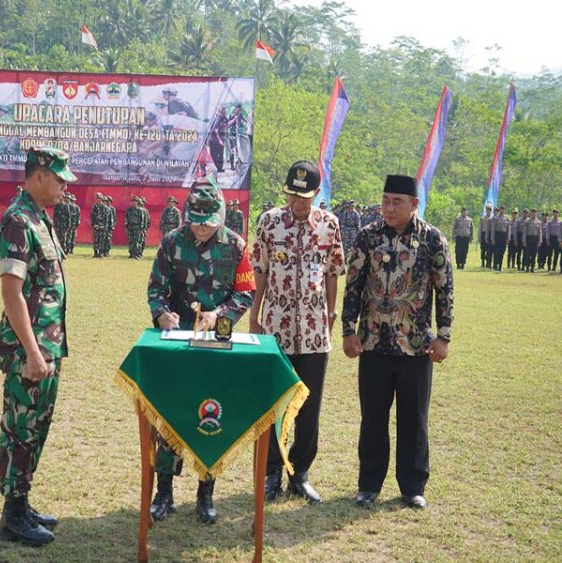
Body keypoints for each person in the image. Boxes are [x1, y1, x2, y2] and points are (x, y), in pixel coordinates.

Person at [147, 177, 256, 524]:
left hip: (215, 343)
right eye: (195, 221)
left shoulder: (237, 247)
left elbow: (245, 294)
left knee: (211, 414)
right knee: (169, 416)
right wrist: (161, 313)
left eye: (208, 223)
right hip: (176, 342)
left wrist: (219, 314)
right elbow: (156, 289)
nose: (202, 228)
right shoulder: (171, 243)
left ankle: (205, 493)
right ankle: (164, 492)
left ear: (221, 217)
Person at [342, 174, 454, 510]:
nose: (388, 208)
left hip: (415, 345)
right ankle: (369, 484)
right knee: (372, 417)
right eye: (385, 200)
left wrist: (444, 336)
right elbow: (353, 286)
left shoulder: (433, 239)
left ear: (414, 205)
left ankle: (412, 486)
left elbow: (445, 288)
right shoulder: (367, 237)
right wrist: (348, 330)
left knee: (414, 418)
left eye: (397, 202)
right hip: (374, 342)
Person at [0, 147, 77, 546]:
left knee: (37, 428)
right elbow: (13, 294)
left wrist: (46, 350)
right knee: (21, 430)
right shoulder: (17, 221)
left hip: (48, 346)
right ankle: (12, 516)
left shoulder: (41, 218)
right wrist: (31, 351)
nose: (64, 185)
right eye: (59, 178)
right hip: (31, 350)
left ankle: (21, 502)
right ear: (38, 175)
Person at [249, 160, 345, 503]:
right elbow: (259, 271)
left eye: (304, 197)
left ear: (317, 194)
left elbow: (334, 271)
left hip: (315, 331)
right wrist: (254, 315)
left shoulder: (329, 225)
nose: (298, 203)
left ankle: (300, 473)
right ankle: (271, 471)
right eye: (292, 195)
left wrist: (331, 311)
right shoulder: (269, 223)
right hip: (276, 327)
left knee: (310, 404)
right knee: (275, 401)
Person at [490, 205, 510, 271]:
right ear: (499, 210)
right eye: (501, 209)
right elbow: (493, 229)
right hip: (497, 235)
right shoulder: (495, 218)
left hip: (504, 236)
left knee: (502, 251)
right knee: (496, 251)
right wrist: (492, 238)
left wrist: (508, 238)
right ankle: (495, 265)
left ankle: (500, 266)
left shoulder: (507, 218)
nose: (502, 210)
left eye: (503, 209)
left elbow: (508, 229)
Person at [523, 208, 542, 273]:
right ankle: (527, 267)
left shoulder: (539, 222)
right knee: (528, 254)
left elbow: (540, 232)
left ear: (536, 213)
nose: (534, 214)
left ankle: (532, 268)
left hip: (535, 239)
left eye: (535, 212)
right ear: (530, 213)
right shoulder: (527, 221)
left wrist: (540, 241)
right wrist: (524, 241)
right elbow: (524, 232)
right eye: (532, 212)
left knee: (534, 254)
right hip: (528, 238)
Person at [90, 193, 108, 258]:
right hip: (96, 226)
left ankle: (100, 253)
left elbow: (106, 218)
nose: (98, 200)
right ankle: (95, 253)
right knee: (96, 240)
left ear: (101, 199)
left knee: (101, 240)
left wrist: (104, 226)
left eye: (99, 198)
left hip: (102, 226)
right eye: (97, 198)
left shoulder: (105, 208)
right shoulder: (94, 207)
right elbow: (92, 216)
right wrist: (93, 224)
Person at [479, 203, 493, 268]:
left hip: (490, 234)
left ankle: (488, 262)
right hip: (483, 233)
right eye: (487, 209)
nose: (488, 211)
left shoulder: (492, 218)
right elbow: (480, 228)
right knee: (483, 249)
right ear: (485, 210)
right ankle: (483, 262)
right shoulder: (482, 218)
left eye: (490, 210)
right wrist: (480, 237)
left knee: (489, 249)